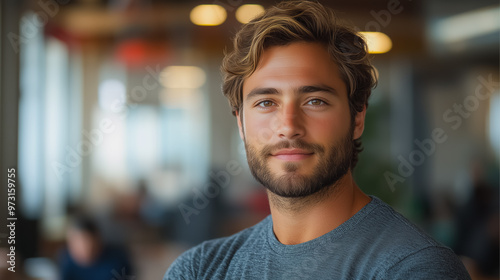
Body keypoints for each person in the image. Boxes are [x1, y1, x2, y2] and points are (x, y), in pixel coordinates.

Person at [164, 1, 471, 279]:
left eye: (315, 101)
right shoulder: (199, 270)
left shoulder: (413, 269)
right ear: (241, 124)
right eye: (266, 103)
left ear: (357, 118)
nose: (288, 127)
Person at [59, 215, 133, 280]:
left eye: (86, 243)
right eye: (75, 244)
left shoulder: (118, 260)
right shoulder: (65, 260)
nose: (81, 249)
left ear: (98, 241)